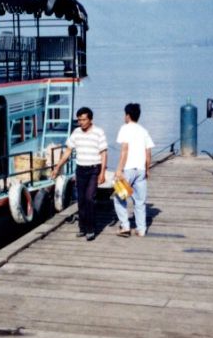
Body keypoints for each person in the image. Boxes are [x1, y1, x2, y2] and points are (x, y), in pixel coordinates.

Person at [53, 106, 107, 241]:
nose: (81, 123)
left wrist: (102, 173)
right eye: (79, 120)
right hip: (81, 169)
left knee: (90, 198)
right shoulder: (76, 132)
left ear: (90, 120)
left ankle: (91, 229)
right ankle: (82, 227)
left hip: (94, 169)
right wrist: (57, 166)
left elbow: (104, 153)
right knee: (81, 200)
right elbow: (68, 151)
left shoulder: (98, 132)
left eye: (83, 120)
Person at [113, 103, 154, 237]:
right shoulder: (144, 131)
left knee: (119, 197)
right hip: (141, 170)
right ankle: (141, 229)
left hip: (128, 170)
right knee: (140, 201)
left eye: (125, 114)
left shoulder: (125, 129)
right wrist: (147, 170)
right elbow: (148, 153)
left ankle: (125, 225)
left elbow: (124, 150)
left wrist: (119, 170)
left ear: (128, 115)